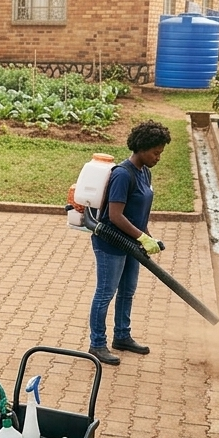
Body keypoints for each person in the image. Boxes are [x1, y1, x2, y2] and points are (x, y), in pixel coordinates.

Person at [86, 120, 171, 366]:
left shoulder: (145, 171)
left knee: (127, 292)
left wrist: (148, 237)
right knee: (105, 293)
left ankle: (122, 336)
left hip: (131, 244)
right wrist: (141, 237)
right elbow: (115, 216)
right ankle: (97, 344)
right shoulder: (123, 174)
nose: (158, 157)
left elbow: (139, 212)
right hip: (111, 244)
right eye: (156, 152)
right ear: (142, 148)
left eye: (160, 152)